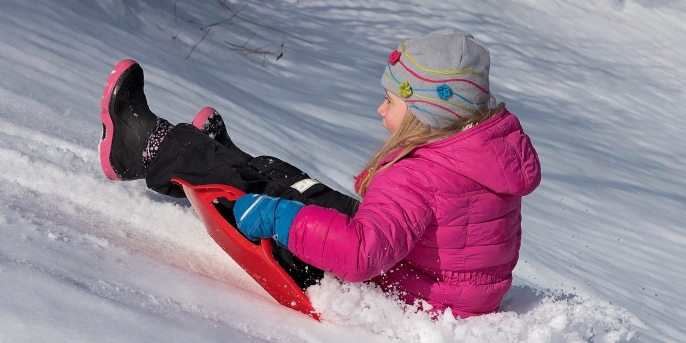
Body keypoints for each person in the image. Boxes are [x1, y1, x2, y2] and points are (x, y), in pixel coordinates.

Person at [98, 29, 541, 317]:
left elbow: (359, 255)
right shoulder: (480, 156)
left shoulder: (417, 177)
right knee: (287, 179)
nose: (379, 109)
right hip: (420, 283)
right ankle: (228, 158)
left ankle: (144, 147)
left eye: (391, 102)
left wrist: (280, 219)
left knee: (276, 201)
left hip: (388, 296)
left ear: (425, 114)